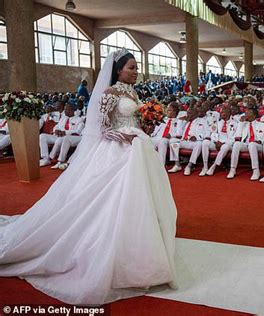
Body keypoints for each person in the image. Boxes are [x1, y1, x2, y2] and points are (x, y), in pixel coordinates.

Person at [0, 49, 177, 305]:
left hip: (137, 145)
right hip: (117, 149)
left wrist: (144, 126)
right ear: (118, 70)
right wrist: (124, 137)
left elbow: (134, 120)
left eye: (136, 67)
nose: (136, 71)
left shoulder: (133, 93)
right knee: (110, 197)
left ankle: (141, 245)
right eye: (131, 67)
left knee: (141, 197)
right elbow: (104, 127)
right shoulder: (109, 93)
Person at [227, 107, 264, 180]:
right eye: (245, 113)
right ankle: (232, 169)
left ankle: (256, 171)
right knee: (237, 144)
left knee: (252, 144)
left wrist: (260, 141)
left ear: (254, 115)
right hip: (246, 144)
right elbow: (238, 136)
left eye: (248, 113)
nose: (246, 115)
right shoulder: (243, 124)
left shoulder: (262, 125)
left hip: (259, 145)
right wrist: (241, 123)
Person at [203, 106, 238, 176]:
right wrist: (216, 141)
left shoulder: (235, 123)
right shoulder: (217, 123)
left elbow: (234, 137)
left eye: (223, 112)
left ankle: (214, 166)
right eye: (220, 112)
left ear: (228, 113)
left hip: (228, 144)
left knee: (225, 147)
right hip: (217, 143)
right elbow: (213, 133)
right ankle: (205, 166)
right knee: (205, 142)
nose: (221, 114)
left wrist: (223, 143)